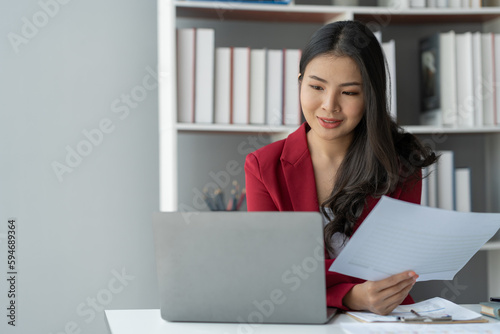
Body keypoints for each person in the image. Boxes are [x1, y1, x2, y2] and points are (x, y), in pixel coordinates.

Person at [244, 20, 437, 315]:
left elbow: (391, 272)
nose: (329, 106)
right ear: (300, 82)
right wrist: (348, 295)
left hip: (383, 320)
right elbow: (270, 273)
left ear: (370, 96)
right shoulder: (263, 166)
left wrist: (312, 276)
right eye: (316, 87)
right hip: (297, 317)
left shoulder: (402, 163)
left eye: (349, 93)